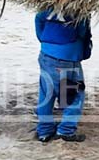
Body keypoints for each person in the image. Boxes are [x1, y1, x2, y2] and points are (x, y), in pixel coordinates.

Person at [35, 8, 92, 143]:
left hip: (46, 55)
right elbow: (83, 32)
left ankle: (44, 130)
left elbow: (38, 19)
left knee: (46, 93)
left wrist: (45, 40)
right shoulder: (78, 11)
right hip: (67, 59)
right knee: (74, 94)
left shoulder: (47, 7)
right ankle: (65, 131)